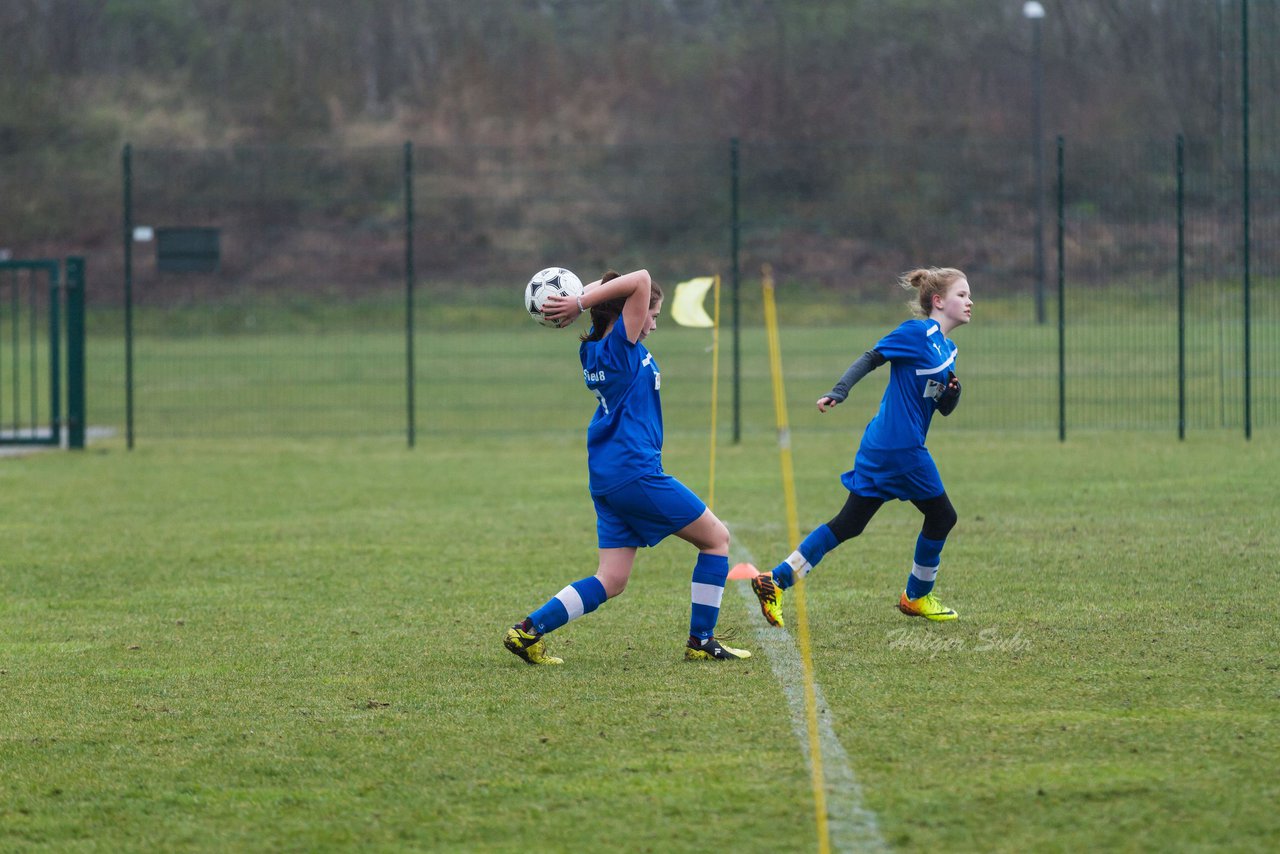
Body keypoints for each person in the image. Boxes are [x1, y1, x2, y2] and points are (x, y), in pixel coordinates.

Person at [503, 268, 751, 664]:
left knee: (612, 579)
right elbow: (641, 277)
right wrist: (580, 302)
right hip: (636, 472)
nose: (653, 322)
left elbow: (623, 285)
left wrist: (578, 300)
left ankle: (528, 631)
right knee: (716, 540)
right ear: (626, 315)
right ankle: (701, 641)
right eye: (651, 314)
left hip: (608, 476)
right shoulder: (621, 344)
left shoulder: (593, 349)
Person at [751, 267, 972, 627]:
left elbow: (942, 407)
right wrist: (839, 390)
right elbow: (872, 357)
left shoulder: (947, 349)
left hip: (884, 447)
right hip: (900, 449)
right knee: (943, 516)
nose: (969, 301)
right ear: (938, 301)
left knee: (849, 523)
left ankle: (774, 580)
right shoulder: (917, 333)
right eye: (962, 295)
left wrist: (953, 394)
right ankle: (916, 596)